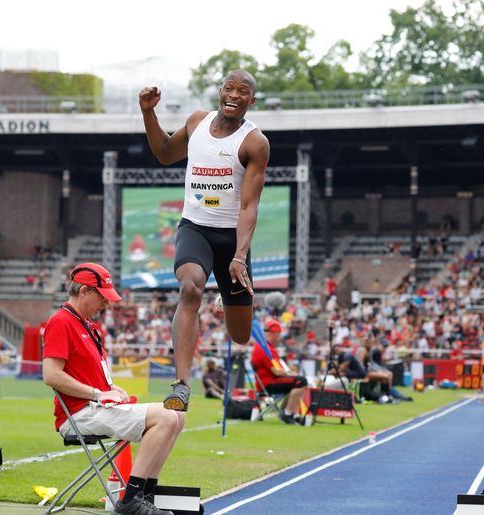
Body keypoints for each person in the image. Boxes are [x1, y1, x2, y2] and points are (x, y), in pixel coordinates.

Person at [139, 70, 270, 412]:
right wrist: (148, 113)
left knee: (240, 335)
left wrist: (240, 256)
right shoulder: (197, 122)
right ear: (220, 92)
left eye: (243, 92)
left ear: (251, 101)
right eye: (229, 88)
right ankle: (181, 385)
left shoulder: (254, 142)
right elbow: (166, 153)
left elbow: (249, 204)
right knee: (191, 288)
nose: (234, 95)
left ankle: (225, 299)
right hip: (195, 227)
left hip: (232, 239)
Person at [42, 263, 184, 515]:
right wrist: (98, 393)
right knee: (165, 417)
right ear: (84, 291)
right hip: (77, 414)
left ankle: (146, 496)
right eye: (102, 296)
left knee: (177, 416)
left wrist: (110, 389)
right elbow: (51, 375)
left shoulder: (88, 325)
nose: (106, 304)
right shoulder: (61, 321)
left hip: (94, 407)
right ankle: (131, 501)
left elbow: (91, 376)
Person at [251, 319, 307, 424]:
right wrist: (290, 374)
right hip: (268, 383)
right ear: (273, 333)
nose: (279, 337)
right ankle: (288, 413)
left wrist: (290, 374)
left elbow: (278, 368)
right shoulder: (263, 348)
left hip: (270, 381)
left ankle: (291, 413)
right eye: (278, 334)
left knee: (298, 381)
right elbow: (276, 371)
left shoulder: (267, 347)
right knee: (301, 381)